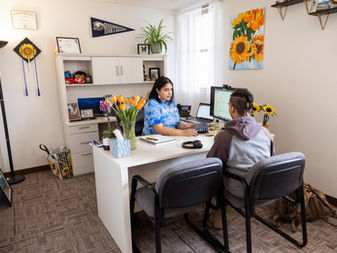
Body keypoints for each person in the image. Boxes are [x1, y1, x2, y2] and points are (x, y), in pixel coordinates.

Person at [207, 89, 274, 228]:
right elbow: (271, 160)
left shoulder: (225, 137)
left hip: (240, 191)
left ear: (232, 108)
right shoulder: (265, 132)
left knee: (214, 177)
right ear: (249, 108)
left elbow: (211, 165)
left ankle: (216, 216)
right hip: (265, 189)